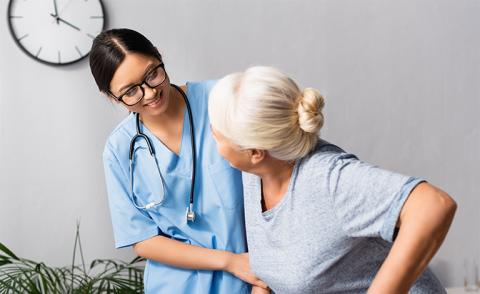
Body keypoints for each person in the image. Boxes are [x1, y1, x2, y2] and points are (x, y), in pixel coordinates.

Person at [208, 66, 457, 293]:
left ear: (255, 152)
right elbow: (271, 272)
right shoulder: (255, 175)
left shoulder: (326, 178)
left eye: (218, 135)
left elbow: (434, 205)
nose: (212, 137)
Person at [89, 28, 267, 293]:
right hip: (177, 284)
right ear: (111, 97)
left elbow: (273, 177)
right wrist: (230, 262)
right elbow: (143, 239)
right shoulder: (118, 149)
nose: (149, 93)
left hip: (254, 272)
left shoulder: (221, 99)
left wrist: (261, 277)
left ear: (159, 56)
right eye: (130, 92)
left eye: (152, 74)